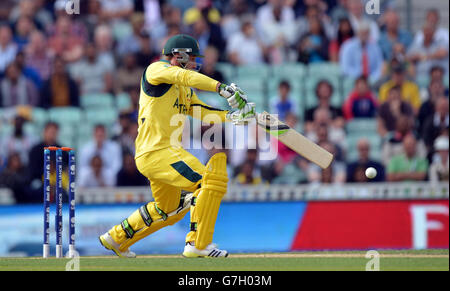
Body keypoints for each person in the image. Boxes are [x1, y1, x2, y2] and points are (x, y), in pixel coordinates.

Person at [98, 34, 255, 258]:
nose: (195, 64)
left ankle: (116, 238)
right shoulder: (156, 70)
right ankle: (197, 243)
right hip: (158, 151)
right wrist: (221, 88)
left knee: (168, 210)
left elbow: (203, 111)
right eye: (192, 58)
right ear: (178, 56)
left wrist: (236, 116)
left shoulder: (183, 88)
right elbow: (184, 76)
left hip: (159, 155)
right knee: (208, 181)